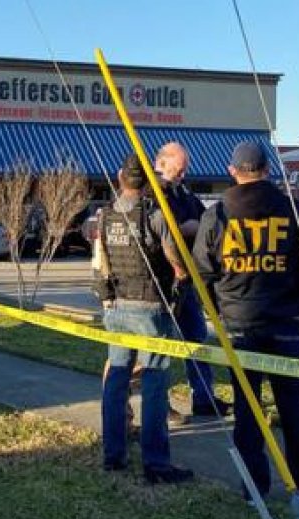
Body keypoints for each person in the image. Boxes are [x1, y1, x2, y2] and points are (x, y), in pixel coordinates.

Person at [193, 141, 299, 507]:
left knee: (248, 409)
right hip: (286, 323)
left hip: (240, 325)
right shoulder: (294, 212)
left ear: (232, 171)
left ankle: (254, 490)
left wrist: (218, 312)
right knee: (293, 408)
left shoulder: (218, 215)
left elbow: (202, 274)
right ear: (268, 170)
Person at [95, 153, 193, 484]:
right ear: (147, 182)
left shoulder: (105, 216)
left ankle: (113, 455)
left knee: (117, 377)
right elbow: (176, 263)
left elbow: (100, 262)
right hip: (150, 307)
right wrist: (181, 283)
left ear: (121, 179)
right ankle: (156, 463)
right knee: (154, 382)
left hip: (115, 306)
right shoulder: (154, 215)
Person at [153, 141, 232, 418]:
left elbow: (202, 218)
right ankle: (159, 404)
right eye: (178, 170)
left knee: (196, 338)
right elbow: (170, 230)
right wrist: (191, 227)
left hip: (188, 278)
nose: (183, 175)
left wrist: (197, 227)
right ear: (161, 164)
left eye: (184, 170)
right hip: (163, 279)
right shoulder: (154, 194)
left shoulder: (182, 191)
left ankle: (203, 397)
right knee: (159, 344)